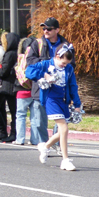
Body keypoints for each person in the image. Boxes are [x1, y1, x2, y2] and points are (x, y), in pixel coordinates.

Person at [27, 42, 82, 171]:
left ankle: (45, 147)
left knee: (62, 130)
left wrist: (77, 104)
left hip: (63, 100)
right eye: (63, 62)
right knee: (63, 127)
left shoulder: (69, 69)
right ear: (57, 56)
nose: (64, 65)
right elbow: (29, 71)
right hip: (51, 99)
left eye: (67, 63)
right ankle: (65, 160)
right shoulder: (46, 64)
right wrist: (45, 75)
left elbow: (73, 86)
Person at [15, 37, 48, 146]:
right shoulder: (39, 58)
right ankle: (34, 140)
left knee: (20, 115)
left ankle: (20, 139)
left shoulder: (22, 58)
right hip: (35, 89)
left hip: (22, 90)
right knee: (35, 117)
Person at [0, 32, 20, 142]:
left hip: (9, 86)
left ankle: (13, 133)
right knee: (14, 111)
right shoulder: (17, 53)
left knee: (14, 111)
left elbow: (4, 71)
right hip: (14, 85)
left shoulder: (9, 54)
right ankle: (13, 132)